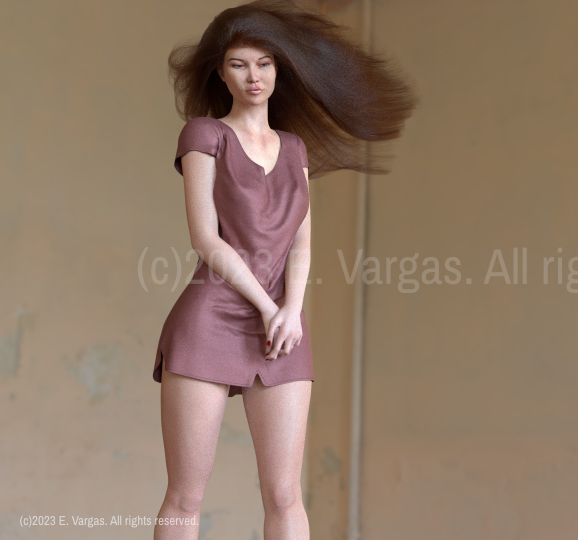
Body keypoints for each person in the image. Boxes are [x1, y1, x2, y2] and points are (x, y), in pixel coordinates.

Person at [151, 1, 416, 538]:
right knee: (184, 497)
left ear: (281, 69)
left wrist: (291, 310)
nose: (254, 76)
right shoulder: (205, 136)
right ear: (219, 72)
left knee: (287, 498)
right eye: (240, 63)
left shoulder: (294, 149)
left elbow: (301, 244)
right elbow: (207, 240)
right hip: (213, 316)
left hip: (282, 326)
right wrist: (270, 306)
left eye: (266, 62)